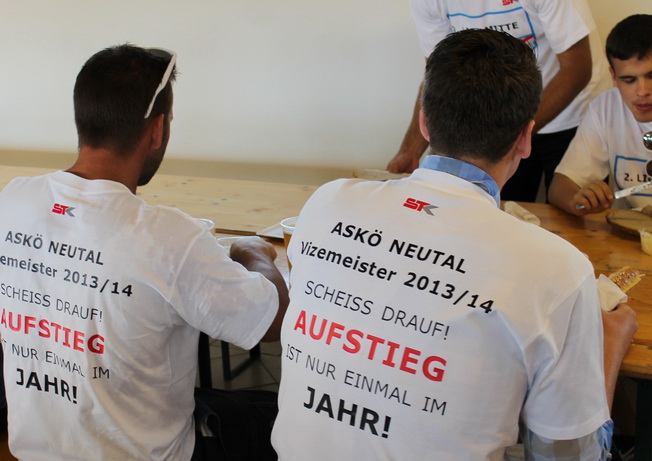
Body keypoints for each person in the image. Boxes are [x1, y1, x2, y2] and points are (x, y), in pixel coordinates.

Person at [272, 29, 637, 460]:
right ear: (526, 137)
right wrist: (608, 349)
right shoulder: (557, 268)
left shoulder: (329, 201)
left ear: (425, 122)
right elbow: (567, 455)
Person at [0, 44, 288, 460]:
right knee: (277, 416)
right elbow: (272, 321)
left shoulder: (13, 200)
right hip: (150, 454)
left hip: (37, 450)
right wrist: (253, 251)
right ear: (156, 130)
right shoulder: (167, 235)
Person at [387, 0, 611, 203]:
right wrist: (409, 152)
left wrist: (504, 135)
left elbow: (576, 69)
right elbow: (439, 78)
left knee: (572, 212)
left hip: (570, 112)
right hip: (497, 123)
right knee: (501, 212)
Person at [549, 14, 652, 215]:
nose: (642, 91)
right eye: (629, 80)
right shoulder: (605, 108)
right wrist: (579, 201)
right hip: (628, 230)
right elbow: (559, 188)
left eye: (651, 76)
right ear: (614, 76)